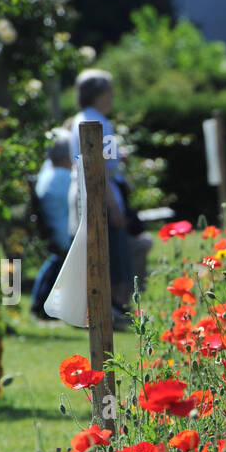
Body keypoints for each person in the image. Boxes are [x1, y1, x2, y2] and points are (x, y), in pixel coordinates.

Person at [68, 69, 152, 328]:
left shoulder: (78, 119)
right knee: (114, 253)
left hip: (82, 191)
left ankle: (100, 309)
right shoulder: (100, 122)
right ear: (98, 94)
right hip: (100, 194)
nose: (112, 96)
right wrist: (113, 205)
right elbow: (100, 167)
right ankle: (113, 309)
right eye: (109, 92)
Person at [30, 130, 72, 321]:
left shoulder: (48, 173)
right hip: (63, 233)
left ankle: (38, 303)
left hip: (53, 229)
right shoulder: (63, 177)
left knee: (55, 262)